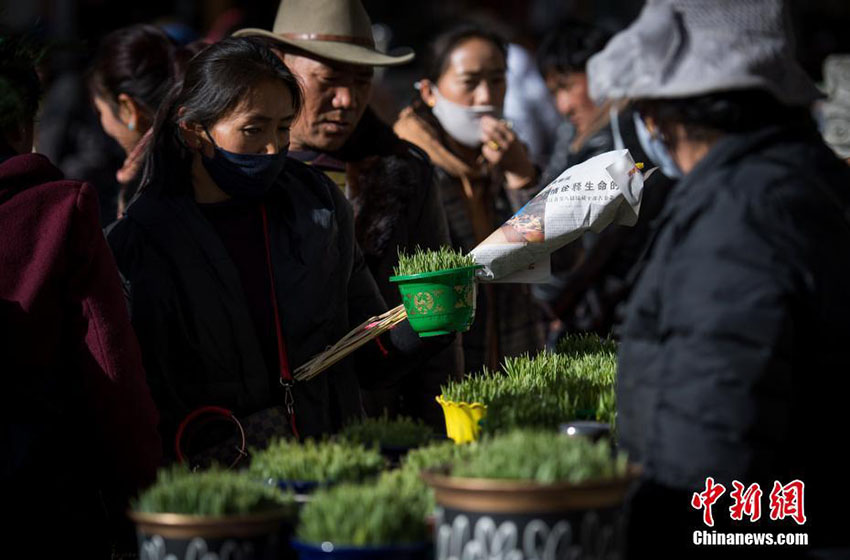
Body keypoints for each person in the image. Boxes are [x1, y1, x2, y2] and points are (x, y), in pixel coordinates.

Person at [588, 1, 850, 557]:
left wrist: (660, 535)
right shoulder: (799, 178)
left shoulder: (742, 215)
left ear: (667, 114)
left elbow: (712, 433)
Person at [107, 37, 435, 461]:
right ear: (193, 132)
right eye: (253, 130)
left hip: (326, 463)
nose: (271, 149)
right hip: (220, 483)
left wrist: (430, 321)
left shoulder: (316, 206)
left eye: (283, 128)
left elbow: (367, 350)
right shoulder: (141, 245)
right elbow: (143, 402)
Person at [233, 0, 461, 430]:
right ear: (280, 66)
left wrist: (438, 429)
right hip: (262, 426)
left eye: (362, 80)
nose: (347, 99)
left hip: (378, 422)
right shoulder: (232, 170)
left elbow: (436, 320)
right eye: (329, 79)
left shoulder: (403, 172)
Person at [0, 32, 161, 557]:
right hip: (41, 512)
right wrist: (144, 507)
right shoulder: (58, 214)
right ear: (26, 128)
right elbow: (114, 380)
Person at [394, 23, 544, 374]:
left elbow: (563, 259)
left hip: (509, 362)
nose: (486, 97)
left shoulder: (503, 159)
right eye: (470, 82)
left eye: (497, 80)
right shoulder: (406, 167)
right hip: (445, 376)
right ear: (430, 92)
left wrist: (522, 177)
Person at [532, 22, 674, 343]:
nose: (563, 106)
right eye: (553, 92)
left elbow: (579, 251)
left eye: (567, 86)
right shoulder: (581, 138)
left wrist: (544, 302)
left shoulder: (621, 151)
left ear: (604, 73)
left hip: (616, 327)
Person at [89, 24, 203, 216]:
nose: (103, 123)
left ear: (128, 109)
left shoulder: (147, 190)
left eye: (100, 111)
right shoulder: (202, 153)